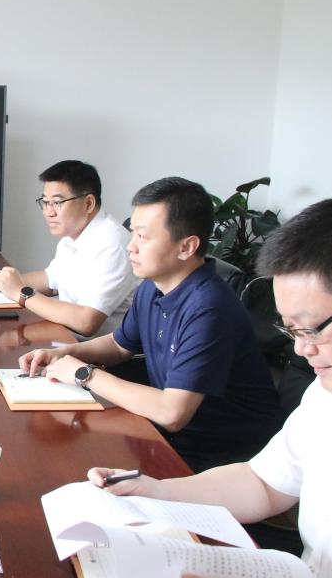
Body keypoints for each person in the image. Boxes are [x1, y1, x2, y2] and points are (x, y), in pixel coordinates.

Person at [88, 197, 332, 578]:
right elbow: (262, 483)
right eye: (291, 330)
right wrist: (158, 492)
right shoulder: (328, 397)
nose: (301, 349)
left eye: (312, 328)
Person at [21, 177, 283, 471]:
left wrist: (83, 373)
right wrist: (64, 353)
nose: (130, 247)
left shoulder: (209, 309)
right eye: (132, 233)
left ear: (186, 247)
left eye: (143, 237)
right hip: (170, 437)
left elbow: (173, 413)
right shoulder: (153, 286)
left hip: (222, 456)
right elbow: (119, 345)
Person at [0, 160, 137, 338]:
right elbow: (50, 281)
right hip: (64, 339)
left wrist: (20, 292)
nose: (48, 212)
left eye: (57, 203)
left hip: (94, 350)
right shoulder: (73, 235)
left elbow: (86, 322)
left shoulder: (112, 244)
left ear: (88, 203)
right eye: (45, 202)